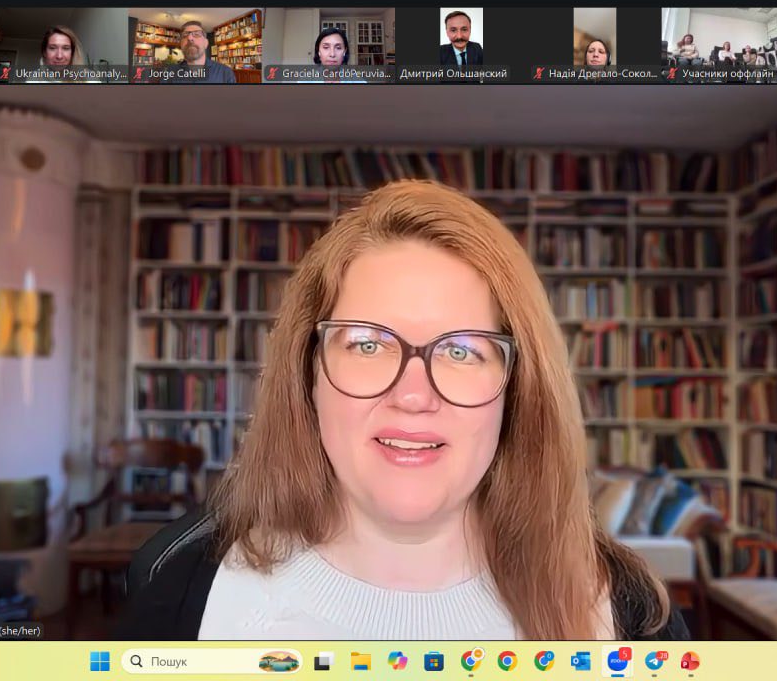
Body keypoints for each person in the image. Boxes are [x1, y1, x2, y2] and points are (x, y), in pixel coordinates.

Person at [118, 180, 689, 641]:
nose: (413, 395)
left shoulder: (630, 616)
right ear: (306, 373)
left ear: (518, 388)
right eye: (367, 344)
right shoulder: (178, 585)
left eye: (462, 350)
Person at [164, 20, 236, 84]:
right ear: (181, 44)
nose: (189, 38)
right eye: (185, 35)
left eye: (197, 34)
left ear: (206, 43)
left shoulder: (225, 73)